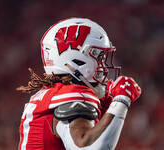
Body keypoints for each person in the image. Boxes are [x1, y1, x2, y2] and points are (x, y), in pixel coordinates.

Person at [17, 18, 141, 150]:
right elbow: (89, 147)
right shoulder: (73, 93)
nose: (104, 65)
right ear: (76, 60)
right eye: (99, 57)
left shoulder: (50, 94)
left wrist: (105, 109)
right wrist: (121, 100)